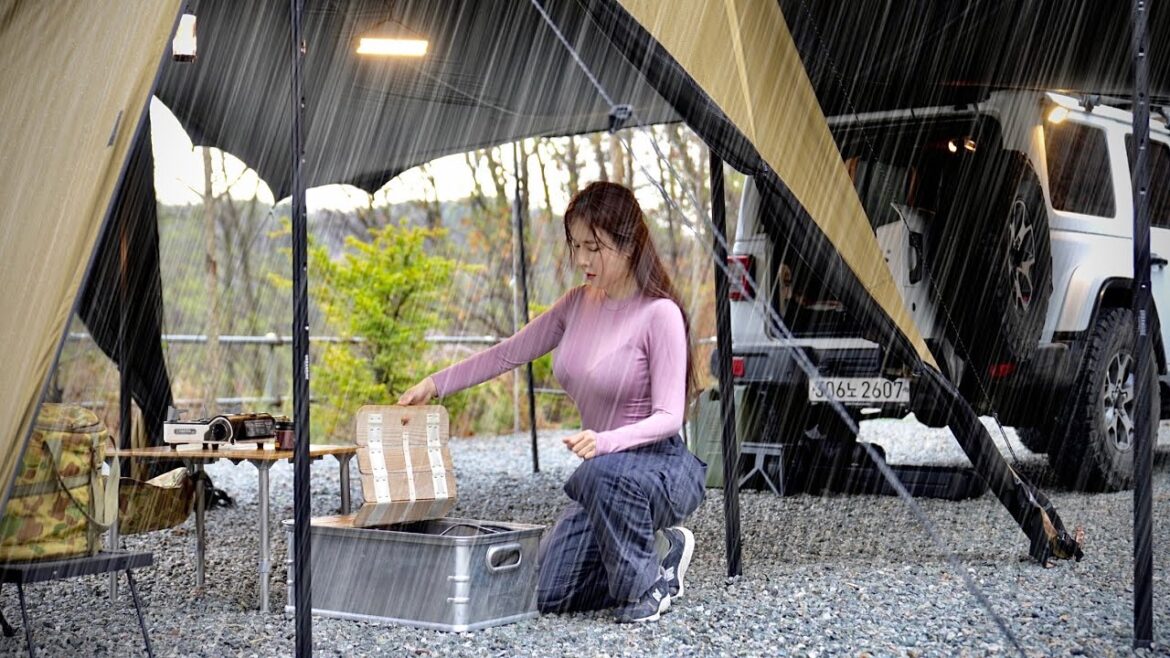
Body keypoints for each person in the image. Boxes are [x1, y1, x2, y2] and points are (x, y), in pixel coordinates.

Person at [398, 181, 707, 623]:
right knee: (549, 591)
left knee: (598, 474)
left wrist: (604, 442)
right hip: (603, 479)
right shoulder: (577, 304)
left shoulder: (660, 314)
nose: (581, 259)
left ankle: (646, 588)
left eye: (593, 248)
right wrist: (434, 384)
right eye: (575, 246)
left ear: (629, 245)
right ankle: (659, 551)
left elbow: (669, 417)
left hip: (660, 468)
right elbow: (508, 353)